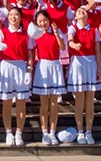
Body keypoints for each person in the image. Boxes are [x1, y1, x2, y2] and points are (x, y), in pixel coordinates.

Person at [0, 6, 33, 146]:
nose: (13, 17)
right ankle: (9, 132)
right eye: (11, 15)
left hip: (21, 67)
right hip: (6, 67)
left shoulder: (26, 34)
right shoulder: (2, 32)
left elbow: (29, 54)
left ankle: (19, 133)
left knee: (21, 102)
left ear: (21, 17)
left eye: (16, 15)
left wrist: (29, 70)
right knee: (7, 102)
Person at [30, 10, 67, 146]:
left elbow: (62, 47)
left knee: (54, 104)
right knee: (44, 104)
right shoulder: (36, 36)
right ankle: (44, 132)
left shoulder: (56, 33)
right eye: (40, 21)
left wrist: (56, 33)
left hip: (55, 65)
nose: (43, 23)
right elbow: (31, 52)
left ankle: (52, 132)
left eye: (45, 20)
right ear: (37, 23)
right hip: (43, 67)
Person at [67, 6, 101, 145]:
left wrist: (99, 67)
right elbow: (69, 40)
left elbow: (98, 50)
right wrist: (73, 44)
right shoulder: (73, 28)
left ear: (87, 15)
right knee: (80, 101)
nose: (81, 12)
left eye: (83, 11)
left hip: (91, 63)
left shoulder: (94, 30)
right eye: (78, 11)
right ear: (75, 17)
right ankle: (80, 131)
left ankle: (89, 131)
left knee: (90, 101)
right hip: (78, 63)